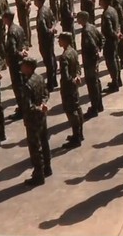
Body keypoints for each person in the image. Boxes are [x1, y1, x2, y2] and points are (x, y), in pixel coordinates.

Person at [20, 57, 51, 186]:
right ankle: (47, 168)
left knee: (35, 147)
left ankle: (38, 174)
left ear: (28, 67)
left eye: (23, 65)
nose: (21, 67)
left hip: (33, 119)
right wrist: (43, 105)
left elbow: (28, 106)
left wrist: (38, 107)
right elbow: (46, 94)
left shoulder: (27, 85)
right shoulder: (39, 78)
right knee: (44, 142)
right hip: (42, 117)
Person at [57, 32, 84, 148]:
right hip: (74, 85)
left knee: (71, 111)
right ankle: (79, 133)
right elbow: (78, 67)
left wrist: (71, 80)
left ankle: (76, 136)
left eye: (60, 40)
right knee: (77, 108)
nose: (58, 42)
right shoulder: (73, 51)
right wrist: (77, 76)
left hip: (68, 87)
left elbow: (65, 75)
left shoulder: (64, 57)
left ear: (65, 41)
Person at [77, 11, 105, 117]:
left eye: (78, 18)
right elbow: (102, 38)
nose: (77, 20)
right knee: (96, 83)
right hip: (94, 61)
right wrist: (99, 49)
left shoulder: (86, 31)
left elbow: (91, 45)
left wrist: (95, 52)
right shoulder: (92, 27)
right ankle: (99, 105)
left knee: (92, 85)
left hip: (90, 62)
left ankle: (94, 108)